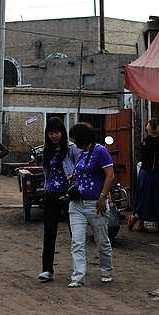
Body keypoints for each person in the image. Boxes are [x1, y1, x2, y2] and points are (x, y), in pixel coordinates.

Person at [66, 123, 115, 288]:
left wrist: (102, 196)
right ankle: (78, 277)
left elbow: (110, 176)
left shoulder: (100, 151)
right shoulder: (81, 153)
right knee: (77, 241)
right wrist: (73, 178)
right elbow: (79, 173)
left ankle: (106, 271)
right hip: (77, 203)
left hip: (95, 203)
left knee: (102, 240)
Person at [37, 117, 80, 283]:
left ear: (63, 132)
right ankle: (47, 270)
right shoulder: (46, 151)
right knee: (49, 233)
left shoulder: (72, 149)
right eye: (51, 133)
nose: (54, 136)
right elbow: (47, 172)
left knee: (74, 233)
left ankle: (78, 270)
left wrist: (76, 187)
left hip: (69, 195)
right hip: (51, 194)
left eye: (57, 132)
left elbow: (80, 168)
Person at [130, 119, 159, 232]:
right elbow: (158, 158)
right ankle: (140, 220)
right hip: (151, 173)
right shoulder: (155, 141)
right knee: (149, 197)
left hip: (145, 171)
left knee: (142, 196)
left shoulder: (145, 140)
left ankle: (138, 219)